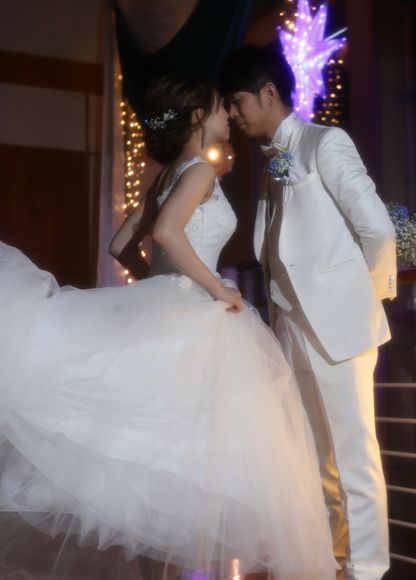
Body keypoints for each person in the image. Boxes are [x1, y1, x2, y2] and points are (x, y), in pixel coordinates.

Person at [0, 76, 337, 580]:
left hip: (167, 308)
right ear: (199, 117)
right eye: (220, 108)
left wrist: (157, 284)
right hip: (192, 317)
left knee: (158, 462)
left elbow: (120, 245)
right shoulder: (198, 170)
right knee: (182, 463)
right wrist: (214, 287)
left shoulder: (167, 176)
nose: (228, 116)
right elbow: (165, 232)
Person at [219, 46, 397, 580]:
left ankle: (367, 570)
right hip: (291, 326)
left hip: (339, 324)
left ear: (268, 93)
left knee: (354, 457)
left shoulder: (325, 142)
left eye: (237, 101)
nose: (232, 113)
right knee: (317, 458)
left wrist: (363, 296)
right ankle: (333, 563)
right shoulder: (271, 161)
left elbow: (378, 229)